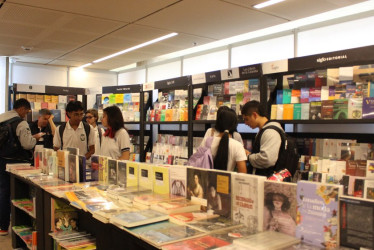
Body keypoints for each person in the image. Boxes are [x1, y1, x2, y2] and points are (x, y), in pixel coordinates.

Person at [0, 98, 42, 236]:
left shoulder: (2, 118)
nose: (26, 114)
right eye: (27, 111)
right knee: (18, 194)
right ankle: (20, 226)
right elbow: (27, 144)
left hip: (1, 160)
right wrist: (35, 137)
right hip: (16, 162)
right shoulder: (21, 123)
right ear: (22, 109)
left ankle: (3, 227)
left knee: (3, 193)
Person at [241, 100, 282, 176]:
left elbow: (267, 159)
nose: (245, 123)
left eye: (246, 119)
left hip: (269, 181)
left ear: (254, 115)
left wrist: (248, 157)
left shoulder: (270, 132)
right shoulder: (263, 131)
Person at [201, 108, 247, 173]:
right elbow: (242, 173)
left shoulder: (207, 141)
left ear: (218, 122)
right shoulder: (238, 145)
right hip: (229, 182)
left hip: (207, 180)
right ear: (234, 124)